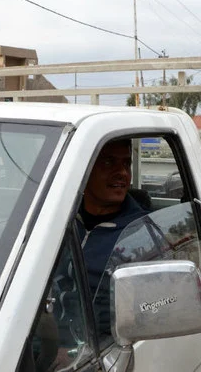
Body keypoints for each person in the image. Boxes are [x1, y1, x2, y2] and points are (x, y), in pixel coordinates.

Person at [45, 139, 149, 371]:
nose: (121, 172)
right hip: (39, 334)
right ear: (84, 170)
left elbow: (144, 317)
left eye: (126, 163)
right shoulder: (56, 218)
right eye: (109, 162)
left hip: (95, 355)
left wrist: (69, 348)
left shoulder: (141, 234)